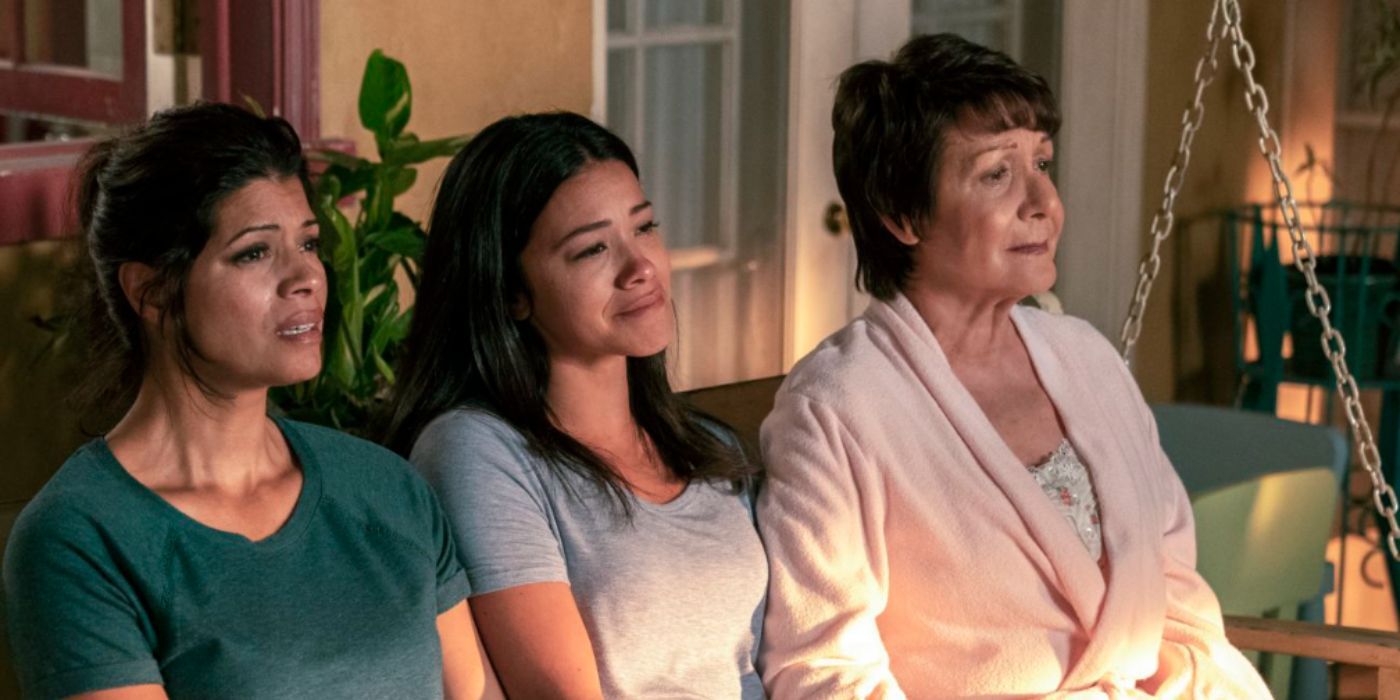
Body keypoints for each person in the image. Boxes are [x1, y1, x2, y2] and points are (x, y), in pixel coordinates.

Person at [756, 34, 1270, 698]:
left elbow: (1178, 599)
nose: (1043, 203)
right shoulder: (835, 408)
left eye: (1043, 164)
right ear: (903, 213)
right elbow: (820, 672)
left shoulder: (1087, 359)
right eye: (997, 173)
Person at [3, 103, 500, 699]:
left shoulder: (386, 490)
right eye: (255, 252)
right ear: (152, 290)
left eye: (309, 244)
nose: (306, 278)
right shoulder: (80, 541)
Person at [380, 111, 767, 699]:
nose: (640, 267)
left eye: (644, 227)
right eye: (591, 250)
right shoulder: (477, 451)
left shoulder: (710, 450)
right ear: (511, 292)